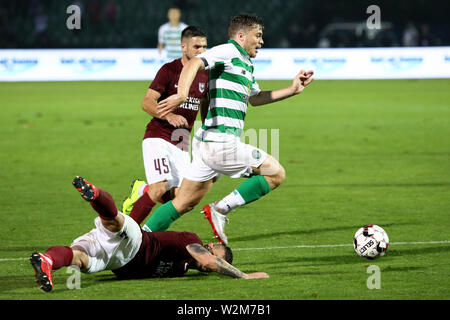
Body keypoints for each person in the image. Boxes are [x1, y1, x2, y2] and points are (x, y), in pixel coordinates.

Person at [140, 14, 314, 245]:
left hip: (207, 143)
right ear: (241, 36)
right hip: (219, 142)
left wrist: (292, 90)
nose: (261, 41)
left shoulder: (246, 63)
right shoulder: (227, 52)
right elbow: (194, 62)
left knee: (182, 202)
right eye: (258, 36)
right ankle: (220, 210)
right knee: (276, 173)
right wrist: (182, 95)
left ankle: (138, 240)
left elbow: (256, 98)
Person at [30, 176, 269, 292]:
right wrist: (243, 277)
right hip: (135, 244)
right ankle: (95, 195)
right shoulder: (191, 242)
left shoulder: (185, 270)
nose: (209, 262)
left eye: (215, 262)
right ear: (208, 246)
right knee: (114, 222)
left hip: (116, 262)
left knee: (78, 258)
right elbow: (206, 259)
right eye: (213, 254)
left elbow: (206, 263)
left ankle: (47, 260)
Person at [121, 26, 209, 226]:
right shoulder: (169, 70)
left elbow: (205, 105)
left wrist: (205, 132)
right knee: (159, 188)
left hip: (181, 142)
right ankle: (125, 235)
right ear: (183, 47)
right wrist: (169, 115)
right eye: (196, 47)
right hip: (158, 136)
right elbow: (147, 102)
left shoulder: (205, 74)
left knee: (184, 199)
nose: (201, 51)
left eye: (204, 47)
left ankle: (141, 191)